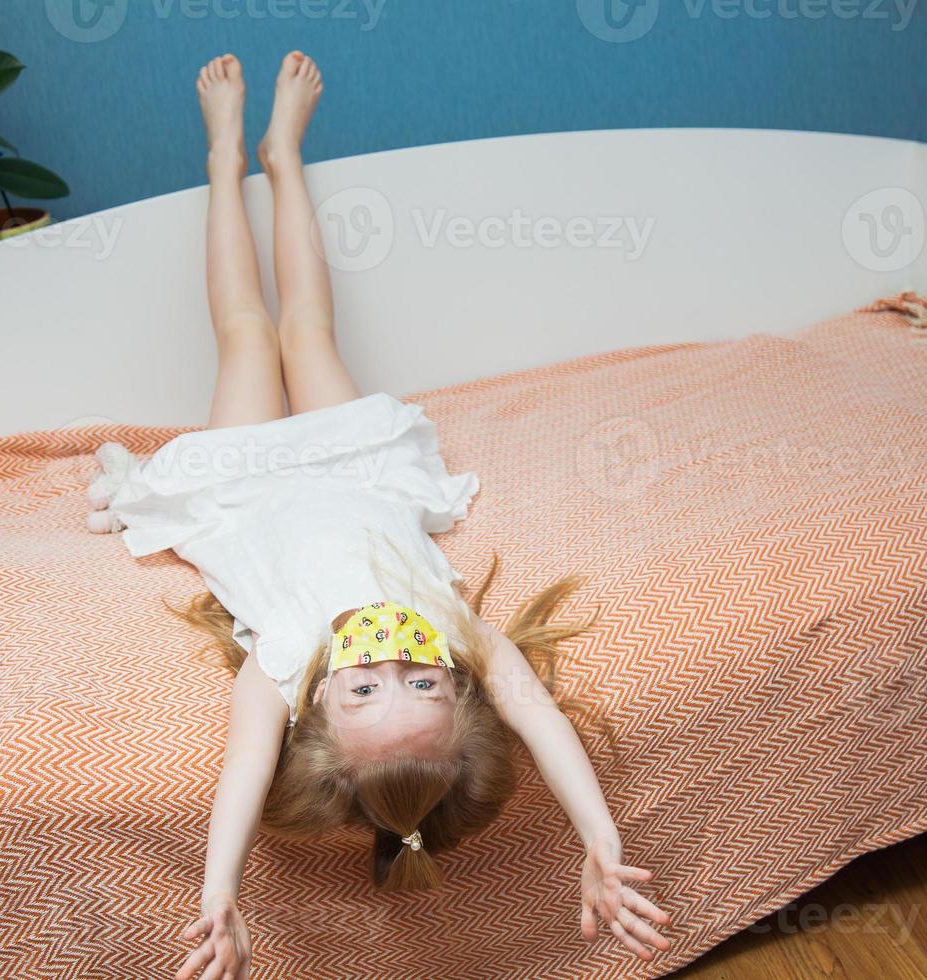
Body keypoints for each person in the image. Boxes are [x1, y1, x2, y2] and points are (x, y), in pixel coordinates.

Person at [86, 52, 671, 980]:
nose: (384, 660)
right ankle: (282, 159)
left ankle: (223, 159)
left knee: (247, 332)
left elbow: (241, 773)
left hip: (250, 481)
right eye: (421, 685)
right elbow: (538, 715)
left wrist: (217, 891)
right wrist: (599, 835)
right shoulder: (455, 635)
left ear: (318, 710)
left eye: (364, 691)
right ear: (459, 686)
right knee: (310, 329)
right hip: (351, 463)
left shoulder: (282, 666)